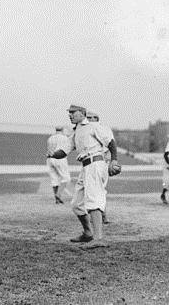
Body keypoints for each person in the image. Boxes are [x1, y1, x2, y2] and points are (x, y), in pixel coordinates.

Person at [49, 104, 119, 248]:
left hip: (96, 164)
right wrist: (53, 154)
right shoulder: (76, 131)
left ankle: (98, 238)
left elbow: (110, 142)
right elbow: (65, 150)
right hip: (86, 167)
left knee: (94, 200)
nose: (70, 115)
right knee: (76, 204)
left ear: (82, 113)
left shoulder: (93, 126)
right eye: (69, 113)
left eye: (73, 113)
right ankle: (88, 233)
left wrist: (114, 160)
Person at [87, 111, 113, 224]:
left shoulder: (104, 128)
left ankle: (101, 215)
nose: (89, 119)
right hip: (94, 162)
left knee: (97, 189)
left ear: (96, 118)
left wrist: (110, 160)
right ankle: (101, 214)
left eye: (91, 117)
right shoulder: (88, 129)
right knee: (97, 189)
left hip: (101, 162)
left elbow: (111, 144)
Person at [46, 126, 71, 204]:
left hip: (50, 159)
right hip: (60, 159)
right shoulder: (65, 138)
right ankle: (58, 195)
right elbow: (67, 149)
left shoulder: (50, 138)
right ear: (63, 130)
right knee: (66, 178)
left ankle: (56, 198)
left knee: (54, 179)